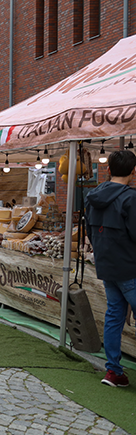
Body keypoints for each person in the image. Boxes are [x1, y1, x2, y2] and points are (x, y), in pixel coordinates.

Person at [85, 149, 136, 388]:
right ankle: (114, 371)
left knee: (114, 316)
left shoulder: (93, 196)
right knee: (114, 315)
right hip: (129, 267)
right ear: (133, 172)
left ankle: (114, 371)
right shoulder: (130, 198)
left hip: (106, 266)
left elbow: (90, 233)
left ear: (108, 170)